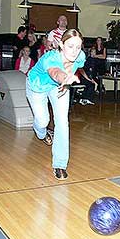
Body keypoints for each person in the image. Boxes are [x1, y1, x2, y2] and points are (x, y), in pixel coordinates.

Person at [26, 29, 86, 180]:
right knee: (43, 121)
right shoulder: (50, 58)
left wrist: (66, 82)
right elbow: (55, 72)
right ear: (61, 44)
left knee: (62, 122)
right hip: (37, 86)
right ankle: (42, 132)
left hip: (59, 88)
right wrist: (64, 78)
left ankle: (60, 164)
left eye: (78, 47)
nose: (75, 51)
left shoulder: (81, 57)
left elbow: (76, 67)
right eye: (70, 46)